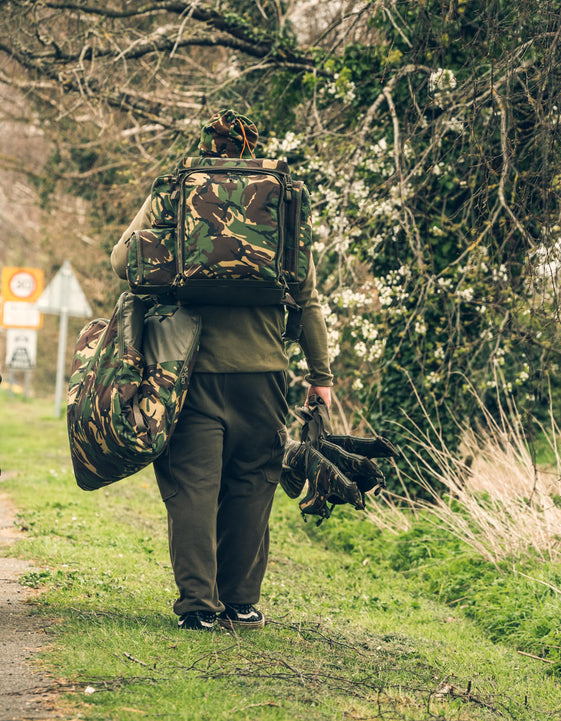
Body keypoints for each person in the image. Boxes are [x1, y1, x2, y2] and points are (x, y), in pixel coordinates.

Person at [110, 109, 333, 631]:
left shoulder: (176, 187)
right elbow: (306, 298)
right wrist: (320, 375)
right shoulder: (281, 194)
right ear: (251, 146)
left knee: (193, 485)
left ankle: (197, 609)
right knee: (253, 482)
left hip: (187, 370)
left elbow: (123, 262)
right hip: (264, 373)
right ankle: (240, 602)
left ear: (206, 144)